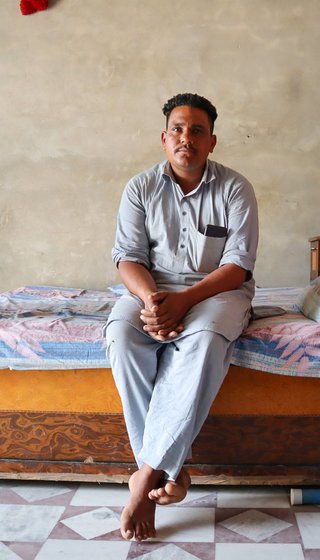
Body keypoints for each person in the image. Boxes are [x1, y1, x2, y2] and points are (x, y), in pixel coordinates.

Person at [104, 93, 258, 541]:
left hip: (218, 290)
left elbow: (238, 265)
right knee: (120, 334)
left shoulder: (235, 188)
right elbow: (127, 258)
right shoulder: (140, 188)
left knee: (206, 340)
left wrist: (185, 301)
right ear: (163, 137)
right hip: (153, 289)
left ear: (212, 141)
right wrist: (154, 301)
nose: (185, 138)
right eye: (177, 129)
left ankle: (144, 479)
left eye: (196, 131)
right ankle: (172, 472)